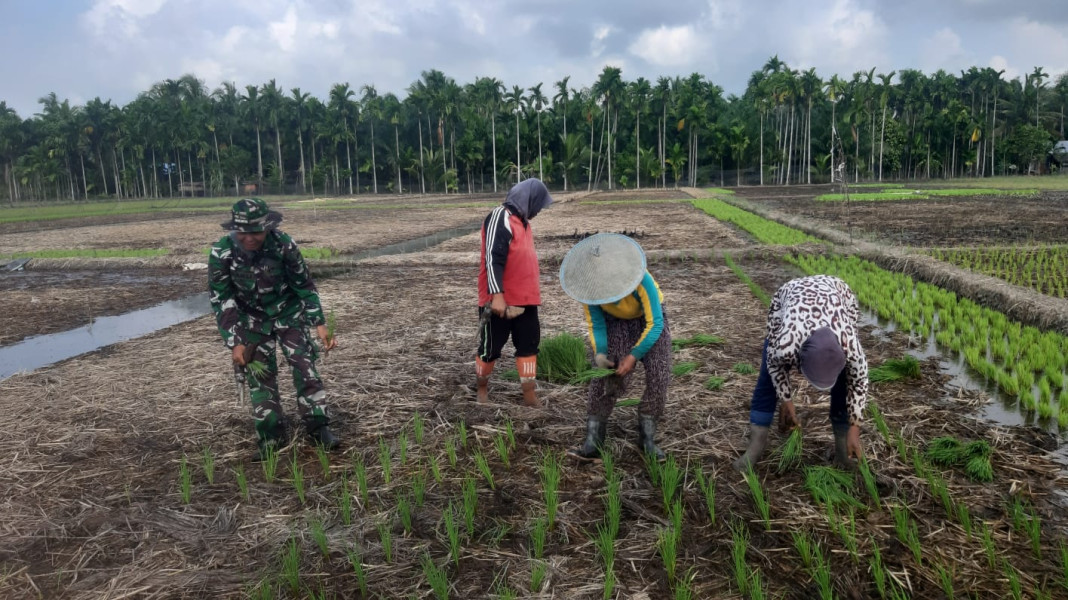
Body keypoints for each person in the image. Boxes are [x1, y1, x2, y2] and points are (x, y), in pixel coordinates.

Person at [208, 198, 340, 460]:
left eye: (255, 231)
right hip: (251, 321)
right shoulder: (221, 252)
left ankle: (318, 427)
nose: (249, 238)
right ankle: (270, 436)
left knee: (305, 367)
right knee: (261, 377)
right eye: (242, 232)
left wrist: (320, 325)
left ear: (267, 226)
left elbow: (304, 285)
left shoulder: (283, 245)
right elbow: (222, 299)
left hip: (288, 313)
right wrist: (235, 341)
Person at [733, 274, 868, 472]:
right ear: (800, 360)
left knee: (844, 387)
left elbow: (858, 385)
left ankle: (843, 451)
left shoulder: (851, 349)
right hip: (792, 297)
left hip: (838, 293)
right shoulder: (785, 343)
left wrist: (855, 427)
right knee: (766, 382)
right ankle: (756, 447)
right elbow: (774, 367)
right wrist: (786, 401)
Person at [560, 233, 671, 461]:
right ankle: (594, 441)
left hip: (647, 320)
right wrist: (600, 352)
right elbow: (596, 324)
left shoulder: (641, 278)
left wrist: (634, 355)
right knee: (607, 376)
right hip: (615, 322)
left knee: (659, 373)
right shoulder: (588, 287)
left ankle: (646, 437)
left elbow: (655, 323)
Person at [476, 178, 554, 407]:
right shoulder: (500, 216)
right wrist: (497, 295)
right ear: (529, 199)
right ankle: (482, 390)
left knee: (528, 346)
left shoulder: (524, 223)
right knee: (490, 348)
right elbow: (492, 258)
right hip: (500, 301)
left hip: (526, 301)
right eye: (538, 204)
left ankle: (529, 396)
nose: (538, 210)